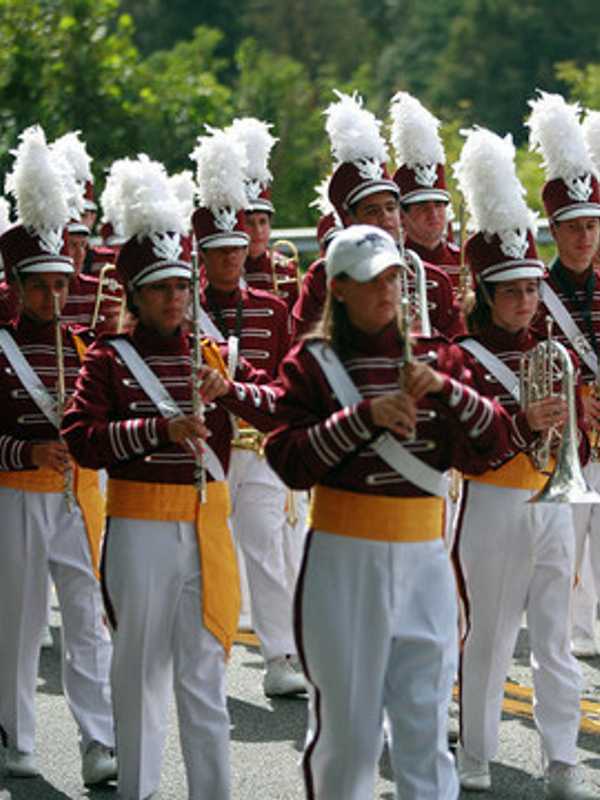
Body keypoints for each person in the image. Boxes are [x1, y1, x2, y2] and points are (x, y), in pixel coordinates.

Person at [265, 223, 519, 800]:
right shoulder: (313, 362)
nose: (384, 290)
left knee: (425, 728)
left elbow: (496, 442)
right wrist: (364, 418)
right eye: (368, 280)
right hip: (343, 555)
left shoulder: (440, 357)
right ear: (339, 288)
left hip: (425, 558)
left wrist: (448, 390)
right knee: (349, 736)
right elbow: (288, 459)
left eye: (392, 279)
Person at [62, 153, 281, 800]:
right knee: (137, 675)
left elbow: (271, 409)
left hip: (205, 527)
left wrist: (231, 388)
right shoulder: (108, 357)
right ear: (134, 294)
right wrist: (158, 430)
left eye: (181, 287)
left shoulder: (206, 354)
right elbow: (82, 438)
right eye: (161, 288)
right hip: (137, 528)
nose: (176, 298)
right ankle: (137, 790)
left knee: (206, 677)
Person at [452, 124, 594, 799]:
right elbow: (463, 440)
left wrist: (576, 428)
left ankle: (562, 757)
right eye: (511, 292)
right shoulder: (461, 356)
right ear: (484, 293)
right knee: (490, 636)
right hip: (493, 504)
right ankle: (475, 753)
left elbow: (575, 447)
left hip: (551, 501)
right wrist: (523, 419)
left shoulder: (549, 350)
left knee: (557, 642)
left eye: (532, 291)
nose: (526, 303)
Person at [0, 124, 116, 786]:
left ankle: (97, 739)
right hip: (14, 492)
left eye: (60, 284)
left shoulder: (81, 345)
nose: (53, 297)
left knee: (85, 617)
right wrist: (26, 447)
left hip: (77, 496)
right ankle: (16, 734)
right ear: (14, 282)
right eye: (39, 285)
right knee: (16, 625)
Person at [191, 126, 306, 697]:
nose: (232, 258)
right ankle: (205, 645)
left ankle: (281, 653)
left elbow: (286, 371)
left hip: (256, 444)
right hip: (204, 446)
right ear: (202, 256)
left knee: (265, 548)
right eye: (220, 252)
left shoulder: (272, 306)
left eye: (238, 249)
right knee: (204, 549)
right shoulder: (181, 309)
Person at [291, 91, 464, 342]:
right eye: (372, 211)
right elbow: (305, 346)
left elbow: (455, 353)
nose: (386, 219)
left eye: (391, 208)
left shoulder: (431, 277)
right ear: (349, 220)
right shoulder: (323, 275)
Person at [527, 91, 600, 658]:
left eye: (592, 225)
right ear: (553, 228)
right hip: (563, 446)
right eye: (572, 226)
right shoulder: (535, 292)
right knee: (562, 556)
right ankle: (565, 643)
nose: (583, 237)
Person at [228, 117, 301, 311]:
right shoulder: (223, 269)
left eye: (263, 222)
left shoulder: (285, 268)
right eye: (249, 223)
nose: (258, 230)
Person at [389, 92, 461, 285]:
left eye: (439, 205)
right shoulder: (391, 264)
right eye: (422, 206)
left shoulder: (464, 262)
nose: (433, 213)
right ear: (402, 215)